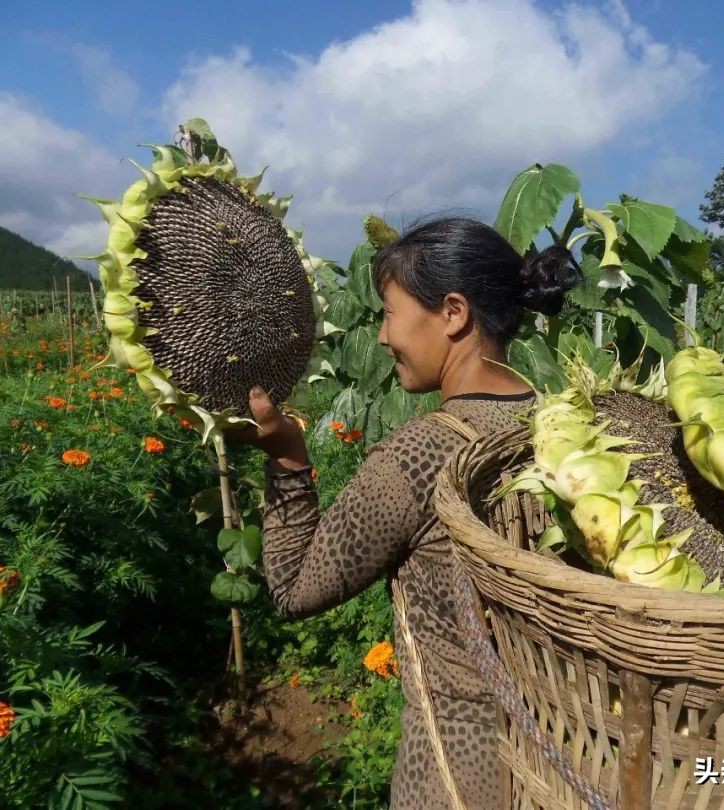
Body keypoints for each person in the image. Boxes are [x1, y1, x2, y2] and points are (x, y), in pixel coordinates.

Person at [230, 217, 581, 809]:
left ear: (452, 313)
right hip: (561, 755)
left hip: (457, 769)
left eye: (390, 312)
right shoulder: (560, 425)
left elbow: (294, 588)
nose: (384, 336)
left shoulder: (422, 454)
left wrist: (288, 459)